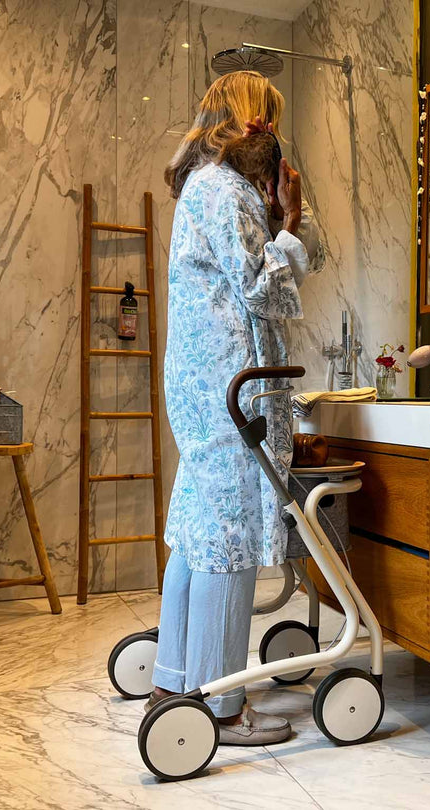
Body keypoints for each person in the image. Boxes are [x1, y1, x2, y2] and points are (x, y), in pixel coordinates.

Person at [149, 70, 323, 746]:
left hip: (203, 387)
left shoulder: (206, 186)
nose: (273, 131)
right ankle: (222, 708)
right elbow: (264, 291)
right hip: (230, 389)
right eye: (269, 118)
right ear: (250, 121)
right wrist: (294, 226)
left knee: (199, 530)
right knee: (226, 541)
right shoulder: (226, 192)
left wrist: (281, 216)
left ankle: (173, 681)